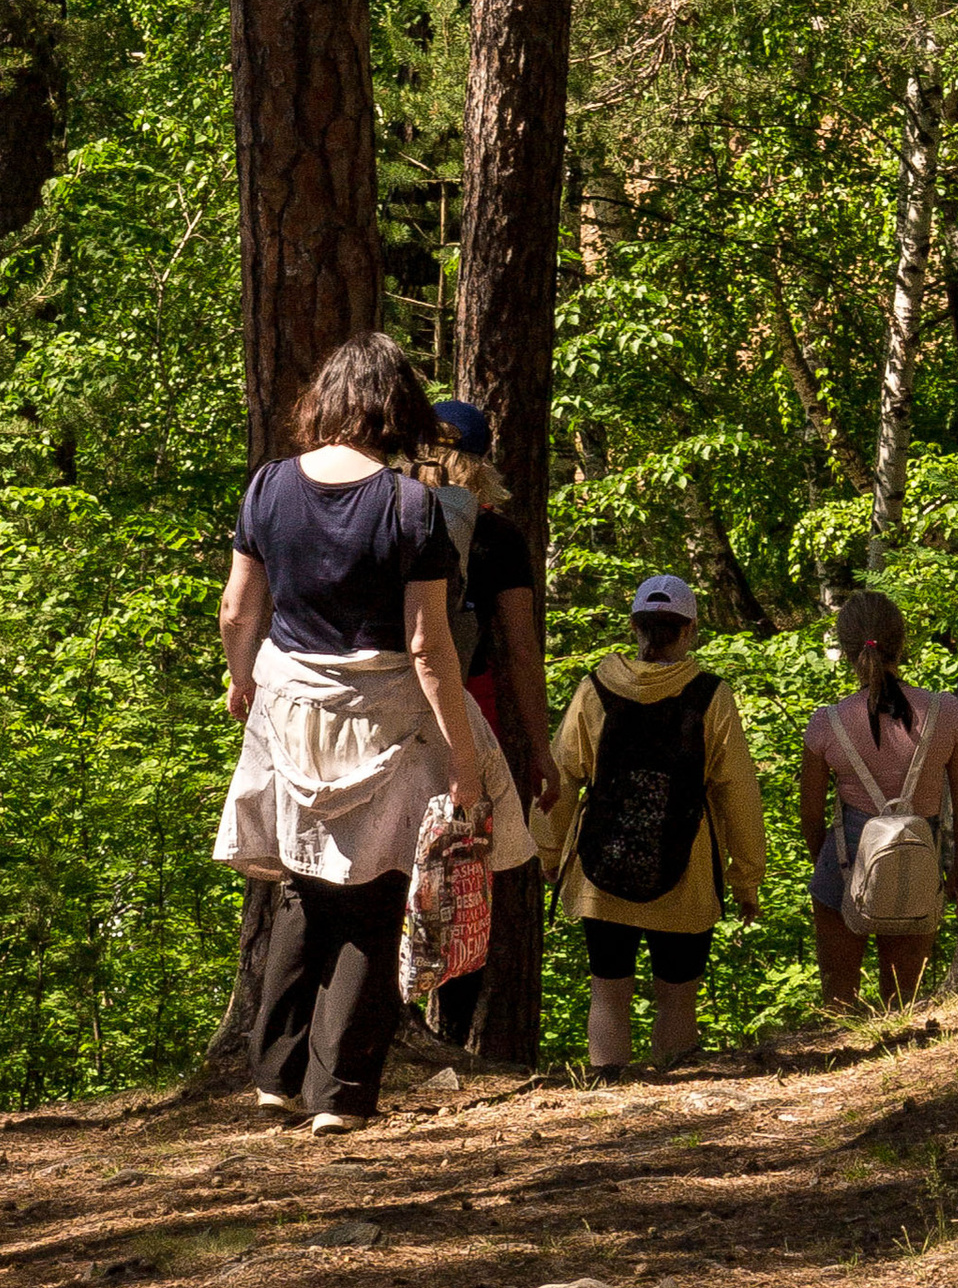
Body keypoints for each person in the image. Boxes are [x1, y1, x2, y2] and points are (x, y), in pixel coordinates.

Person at [216, 333, 530, 1131]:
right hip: (383, 714)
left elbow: (236, 610)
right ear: (398, 409)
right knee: (375, 893)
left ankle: (274, 1076)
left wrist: (242, 679)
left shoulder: (268, 487)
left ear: (326, 401)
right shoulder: (411, 506)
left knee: (300, 884)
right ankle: (341, 1098)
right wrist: (464, 760)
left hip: (289, 707)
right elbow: (427, 645)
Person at [539, 574, 765, 1081]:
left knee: (608, 989)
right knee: (678, 998)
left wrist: (550, 855)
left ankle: (608, 1090)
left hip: (601, 868)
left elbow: (561, 776)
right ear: (689, 632)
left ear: (635, 627)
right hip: (686, 870)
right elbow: (738, 791)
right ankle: (670, 1094)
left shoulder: (593, 689)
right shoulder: (711, 695)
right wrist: (746, 878)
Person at [421, 399, 559, 1057]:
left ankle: (391, 1028)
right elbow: (520, 649)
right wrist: (538, 747)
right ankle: (448, 1038)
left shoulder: (384, 514)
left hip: (387, 711)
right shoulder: (497, 536)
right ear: (482, 463)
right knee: (465, 875)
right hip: (469, 714)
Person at [799, 588, 958, 1010]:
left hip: (844, 860)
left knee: (839, 1002)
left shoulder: (827, 723)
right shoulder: (946, 713)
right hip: (918, 857)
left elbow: (809, 813)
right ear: (903, 643)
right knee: (903, 1004)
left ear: (845, 649)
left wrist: (826, 860)